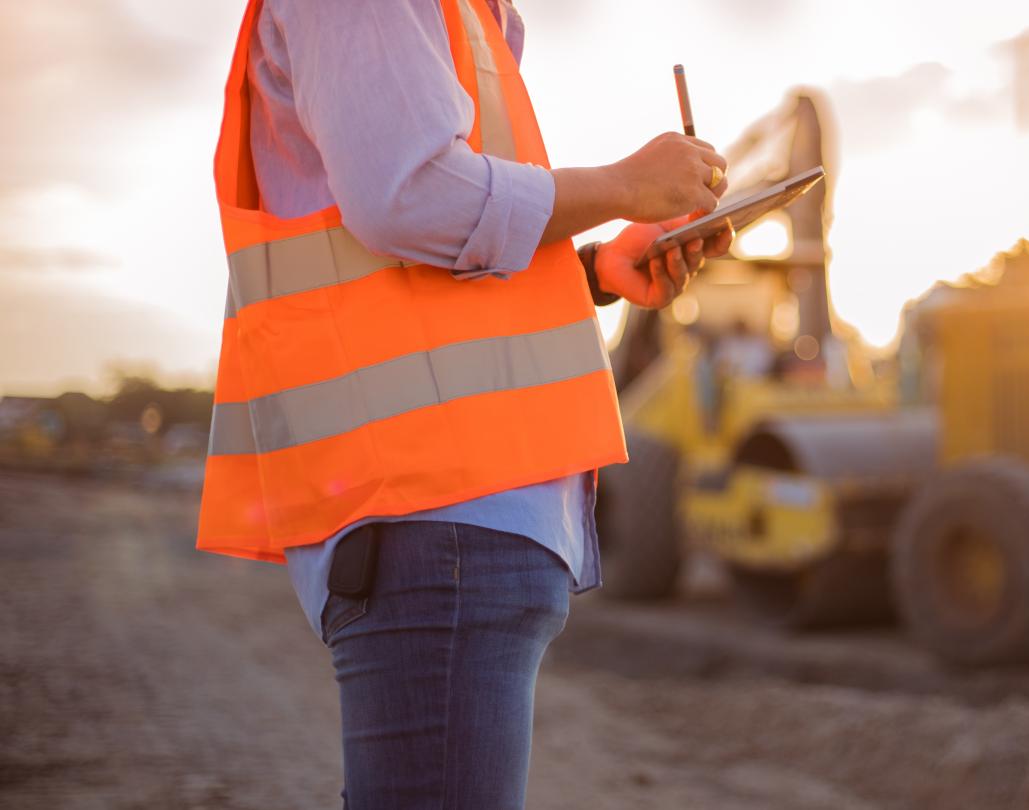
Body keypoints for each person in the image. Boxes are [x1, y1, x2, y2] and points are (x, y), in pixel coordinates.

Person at [195, 1, 733, 807]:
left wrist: (588, 271)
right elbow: (409, 195)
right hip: (435, 516)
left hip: (447, 519)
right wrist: (626, 185)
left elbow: (421, 253)